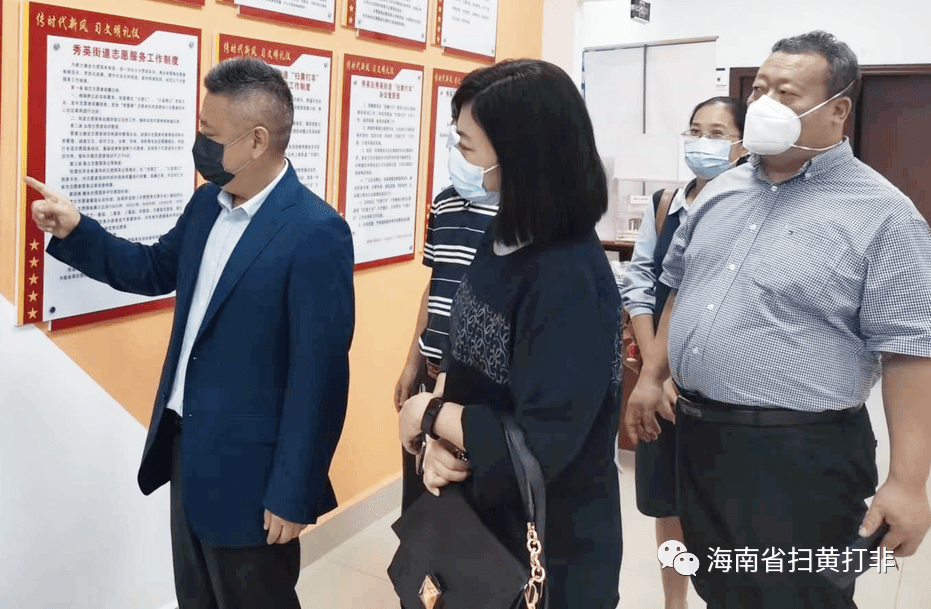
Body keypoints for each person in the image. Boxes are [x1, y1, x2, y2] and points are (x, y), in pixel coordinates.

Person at [26, 57, 355, 609]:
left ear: (256, 141)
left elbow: (319, 378)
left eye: (210, 133)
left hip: (255, 476)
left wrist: (294, 491)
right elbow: (155, 268)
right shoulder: (208, 204)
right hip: (189, 449)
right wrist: (78, 230)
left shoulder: (315, 232)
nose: (198, 143)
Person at [631, 31, 931, 608]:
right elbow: (682, 288)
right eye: (759, 90)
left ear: (838, 110)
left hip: (801, 454)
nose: (764, 104)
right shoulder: (721, 190)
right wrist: (652, 375)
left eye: (786, 93)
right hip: (702, 436)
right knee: (723, 586)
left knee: (800, 596)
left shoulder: (883, 213)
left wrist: (907, 482)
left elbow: (910, 350)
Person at [398, 59, 622, 608]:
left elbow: (545, 441)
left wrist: (427, 413)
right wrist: (437, 443)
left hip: (548, 541)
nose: (457, 154)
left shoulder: (568, 275)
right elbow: (462, 354)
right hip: (477, 517)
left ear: (520, 155)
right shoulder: (503, 234)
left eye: (466, 143)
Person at [393, 59, 544, 519]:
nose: (456, 152)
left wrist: (442, 400)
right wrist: (413, 362)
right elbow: (435, 286)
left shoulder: (526, 224)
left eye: (465, 142)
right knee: (420, 502)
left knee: (463, 512)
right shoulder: (445, 203)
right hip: (432, 373)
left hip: (476, 387)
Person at [620, 96, 747, 609]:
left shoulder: (751, 206)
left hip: (720, 387)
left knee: (723, 505)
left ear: (742, 144)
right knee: (667, 503)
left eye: (717, 133)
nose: (702, 142)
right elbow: (641, 282)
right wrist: (656, 372)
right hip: (660, 385)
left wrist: (679, 374)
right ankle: (675, 602)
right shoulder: (665, 203)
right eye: (695, 131)